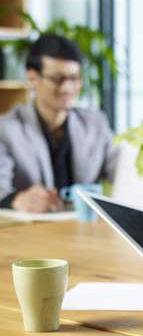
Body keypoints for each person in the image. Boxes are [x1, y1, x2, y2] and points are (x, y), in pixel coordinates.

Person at [0, 34, 118, 213]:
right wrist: (16, 200)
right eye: (57, 79)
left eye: (74, 78)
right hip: (30, 231)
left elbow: (122, 170)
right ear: (32, 78)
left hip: (83, 228)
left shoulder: (95, 123)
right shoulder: (6, 129)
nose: (67, 88)